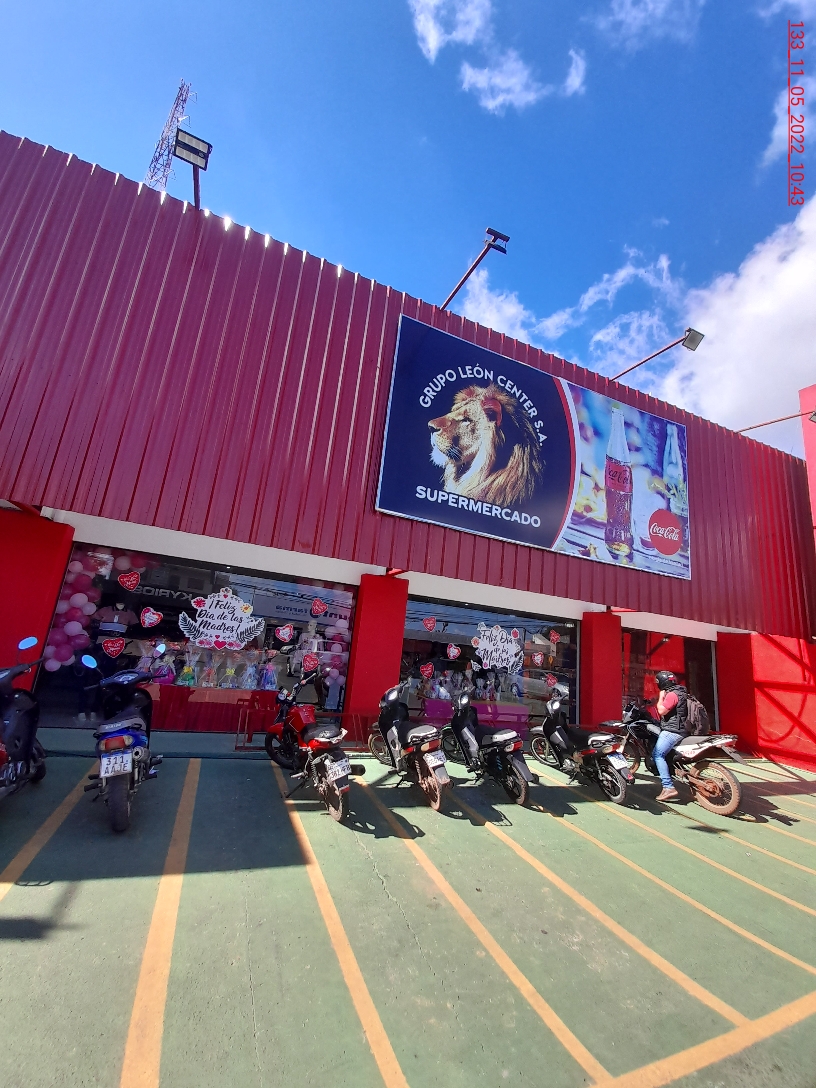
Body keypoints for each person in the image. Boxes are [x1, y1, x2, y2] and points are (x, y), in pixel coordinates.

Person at [653, 670, 688, 801]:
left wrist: (661, 697)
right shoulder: (682, 692)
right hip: (682, 729)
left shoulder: (672, 694)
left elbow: (661, 711)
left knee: (658, 755)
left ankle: (668, 787)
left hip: (673, 731)